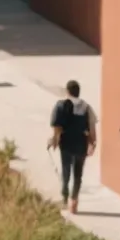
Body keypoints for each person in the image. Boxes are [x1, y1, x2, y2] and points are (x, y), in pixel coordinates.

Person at [47, 79, 98, 213]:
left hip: (66, 144)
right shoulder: (87, 107)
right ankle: (74, 201)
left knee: (66, 172)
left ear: (67, 91)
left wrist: (54, 141)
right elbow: (92, 127)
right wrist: (93, 143)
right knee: (78, 174)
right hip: (81, 144)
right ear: (78, 92)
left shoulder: (61, 105)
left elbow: (57, 127)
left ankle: (64, 199)